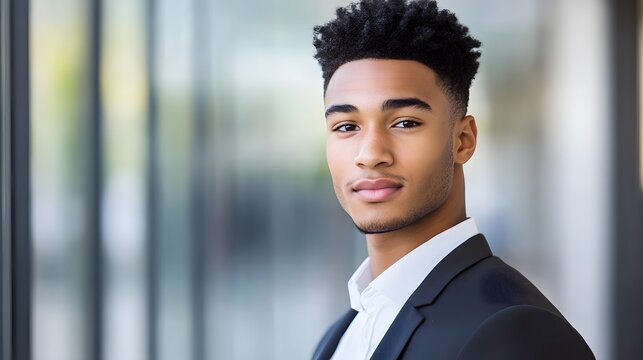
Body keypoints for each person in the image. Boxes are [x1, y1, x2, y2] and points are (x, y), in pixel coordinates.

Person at [310, 0, 595, 359]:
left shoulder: (515, 332)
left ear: (463, 140)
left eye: (405, 123)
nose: (370, 153)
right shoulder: (341, 335)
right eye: (346, 127)